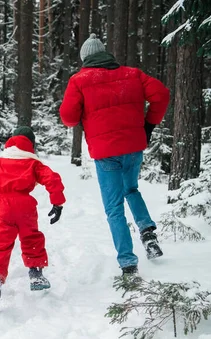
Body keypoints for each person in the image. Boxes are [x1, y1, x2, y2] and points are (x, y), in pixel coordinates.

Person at [59, 33, 170, 276]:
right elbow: (161, 94)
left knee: (114, 208)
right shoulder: (133, 74)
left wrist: (84, 118)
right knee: (131, 189)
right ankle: (147, 232)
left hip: (106, 153)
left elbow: (67, 117)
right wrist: (149, 125)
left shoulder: (79, 81)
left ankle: (128, 262)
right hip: (133, 147)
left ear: (85, 58)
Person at [0, 126, 66, 315]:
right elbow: (53, 180)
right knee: (31, 238)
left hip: (1, 206)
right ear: (31, 144)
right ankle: (36, 274)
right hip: (25, 207)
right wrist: (57, 204)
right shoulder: (33, 164)